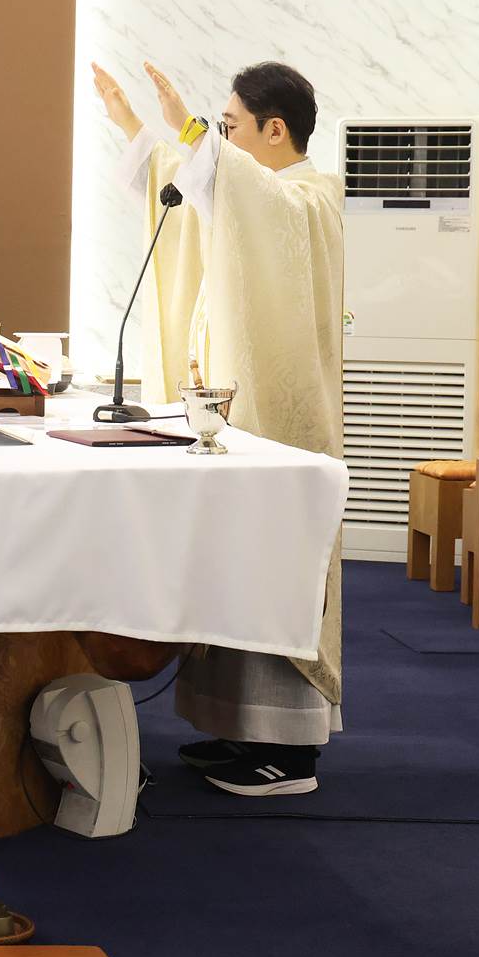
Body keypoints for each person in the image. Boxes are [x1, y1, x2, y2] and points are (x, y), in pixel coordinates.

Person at [94, 58, 344, 797]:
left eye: (230, 126)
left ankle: (290, 752)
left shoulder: (310, 198)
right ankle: (241, 728)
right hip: (239, 422)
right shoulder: (256, 190)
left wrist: (189, 132)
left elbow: (235, 190)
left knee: (273, 564)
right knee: (233, 561)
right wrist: (137, 130)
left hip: (285, 428)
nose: (220, 141)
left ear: (276, 130)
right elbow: (199, 191)